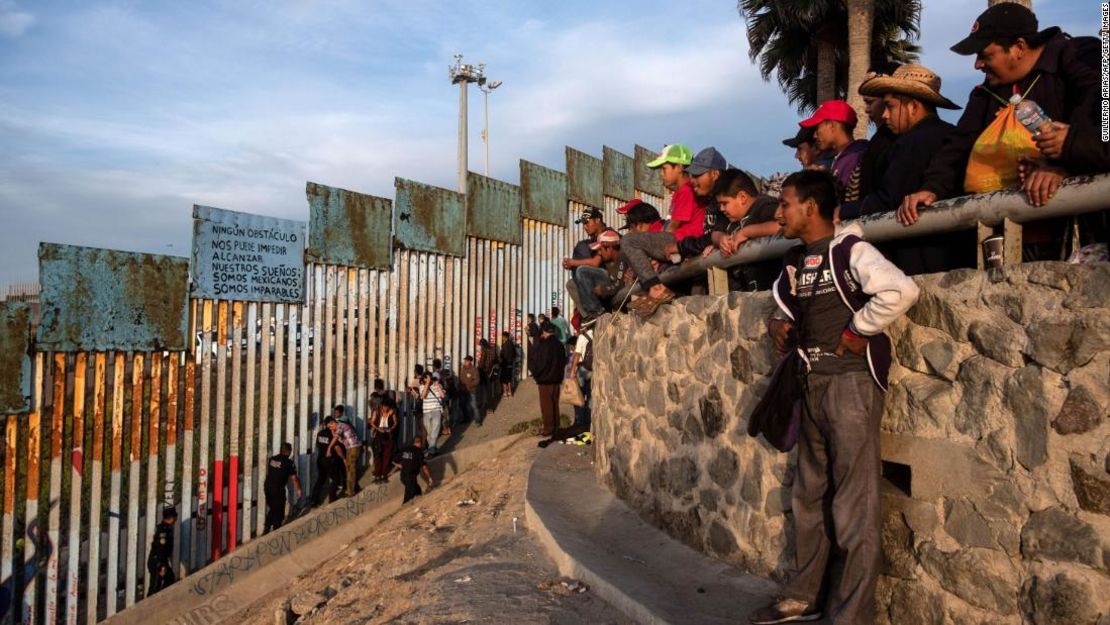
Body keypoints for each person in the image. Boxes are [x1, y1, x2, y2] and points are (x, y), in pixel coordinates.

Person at [750, 170, 919, 625]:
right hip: (811, 384)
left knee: (853, 506)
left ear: (811, 207)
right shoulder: (793, 262)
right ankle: (804, 597)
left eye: (785, 203)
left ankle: (850, 615)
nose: (779, 212)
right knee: (808, 496)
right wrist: (779, 325)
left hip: (850, 386)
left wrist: (858, 331)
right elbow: (785, 305)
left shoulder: (852, 250)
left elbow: (901, 290)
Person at [899, 3, 1099, 256]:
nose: (977, 65)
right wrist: (932, 188)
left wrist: (1066, 161)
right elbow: (958, 146)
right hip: (1006, 238)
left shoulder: (1083, 57)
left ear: (1019, 47)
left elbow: (1101, 123)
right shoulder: (985, 93)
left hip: (1082, 234)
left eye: (985, 55)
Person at [854, 64, 975, 275]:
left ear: (913, 106)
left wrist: (841, 212)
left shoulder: (911, 142)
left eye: (890, 107)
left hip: (919, 260)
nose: (884, 115)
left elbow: (887, 200)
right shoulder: (951, 134)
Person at [710, 169, 782, 291]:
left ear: (742, 197)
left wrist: (746, 232)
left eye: (724, 203)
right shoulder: (729, 218)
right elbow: (715, 233)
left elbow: (780, 226)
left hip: (769, 291)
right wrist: (721, 239)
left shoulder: (764, 205)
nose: (721, 209)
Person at [799, 100, 869, 209]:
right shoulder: (843, 158)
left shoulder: (855, 158)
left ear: (831, 126)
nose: (814, 136)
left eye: (817, 128)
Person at [646, 143, 704, 242]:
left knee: (631, 241)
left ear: (679, 167)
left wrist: (660, 246)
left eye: (664, 169)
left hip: (686, 240)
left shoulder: (686, 191)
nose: (661, 174)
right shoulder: (681, 191)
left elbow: (673, 226)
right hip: (681, 240)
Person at [528, 321, 567, 446]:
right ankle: (556, 426)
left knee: (546, 406)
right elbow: (563, 361)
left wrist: (536, 374)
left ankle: (549, 428)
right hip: (556, 379)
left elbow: (541, 364)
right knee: (555, 404)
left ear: (544, 332)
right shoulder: (560, 345)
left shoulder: (544, 345)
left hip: (545, 380)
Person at [572, 229, 625, 318]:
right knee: (572, 283)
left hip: (616, 291)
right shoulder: (607, 261)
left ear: (609, 248)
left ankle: (597, 311)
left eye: (600, 250)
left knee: (582, 271)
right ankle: (589, 314)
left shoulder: (623, 259)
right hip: (609, 289)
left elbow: (619, 285)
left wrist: (604, 289)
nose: (599, 253)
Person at [263, 442, 303, 533]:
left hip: (267, 487)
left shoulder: (272, 459)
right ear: (289, 451)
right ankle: (276, 529)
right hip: (277, 489)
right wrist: (298, 489)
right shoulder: (289, 463)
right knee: (279, 509)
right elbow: (294, 478)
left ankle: (266, 528)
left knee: (273, 507)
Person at [562, 207, 607, 276]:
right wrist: (570, 265)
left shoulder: (607, 236)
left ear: (597, 220)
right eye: (583, 224)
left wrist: (572, 262)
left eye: (587, 223)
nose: (585, 227)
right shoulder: (595, 238)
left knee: (582, 246)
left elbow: (595, 262)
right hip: (601, 273)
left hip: (611, 277)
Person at [146, 506, 178, 596]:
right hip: (157, 562)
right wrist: (162, 566)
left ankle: (162, 600)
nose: (176, 518)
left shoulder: (167, 528)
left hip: (161, 561)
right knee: (154, 588)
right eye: (175, 516)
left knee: (170, 579)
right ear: (171, 517)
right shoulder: (163, 530)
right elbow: (161, 549)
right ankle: (149, 607)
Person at [311, 417, 342, 505]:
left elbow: (318, 445)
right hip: (330, 459)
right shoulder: (332, 433)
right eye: (332, 423)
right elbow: (336, 447)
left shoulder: (320, 433)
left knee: (320, 480)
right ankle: (332, 498)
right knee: (335, 479)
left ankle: (314, 500)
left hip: (320, 459)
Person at [395, 435, 435, 504]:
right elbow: (424, 467)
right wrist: (429, 478)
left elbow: (394, 460)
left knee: (417, 490)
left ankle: (419, 501)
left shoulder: (405, 449)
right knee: (409, 496)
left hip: (402, 476)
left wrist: (399, 465)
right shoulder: (419, 452)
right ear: (419, 443)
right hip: (410, 476)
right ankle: (404, 508)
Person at [333, 406, 361, 496]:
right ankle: (352, 488)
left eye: (337, 413)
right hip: (351, 447)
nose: (336, 414)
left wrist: (330, 447)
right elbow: (342, 438)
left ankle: (350, 491)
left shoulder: (341, 423)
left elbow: (337, 437)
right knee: (350, 468)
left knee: (350, 469)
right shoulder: (345, 421)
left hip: (353, 447)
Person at [370, 397, 398, 483]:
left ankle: (383, 474)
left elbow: (395, 422)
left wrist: (391, 428)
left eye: (387, 407)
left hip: (388, 434)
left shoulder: (392, 412)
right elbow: (372, 422)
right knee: (378, 456)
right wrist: (378, 428)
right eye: (385, 407)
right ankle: (377, 475)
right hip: (378, 435)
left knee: (387, 456)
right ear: (382, 406)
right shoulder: (376, 411)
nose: (386, 409)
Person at [419, 371, 447, 456]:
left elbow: (442, 396)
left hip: (436, 410)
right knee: (430, 432)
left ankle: (431, 450)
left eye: (429, 378)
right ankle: (434, 449)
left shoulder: (438, 386)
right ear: (424, 379)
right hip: (426, 411)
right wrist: (427, 383)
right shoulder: (422, 386)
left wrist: (438, 385)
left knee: (435, 428)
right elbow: (423, 396)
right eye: (426, 378)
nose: (429, 379)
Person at [458, 355, 481, 425]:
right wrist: (460, 386)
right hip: (463, 391)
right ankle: (466, 418)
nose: (464, 362)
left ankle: (478, 420)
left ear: (469, 362)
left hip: (471, 391)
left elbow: (477, 380)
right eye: (464, 361)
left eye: (466, 361)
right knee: (462, 405)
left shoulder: (474, 369)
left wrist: (469, 385)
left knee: (474, 406)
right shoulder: (463, 369)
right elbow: (461, 379)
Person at [500, 331, 517, 398]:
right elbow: (515, 354)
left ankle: (505, 393)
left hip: (505, 364)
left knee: (504, 379)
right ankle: (510, 393)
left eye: (502, 337)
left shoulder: (505, 345)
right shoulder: (512, 344)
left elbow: (503, 355)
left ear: (504, 337)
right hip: (510, 364)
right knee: (509, 379)